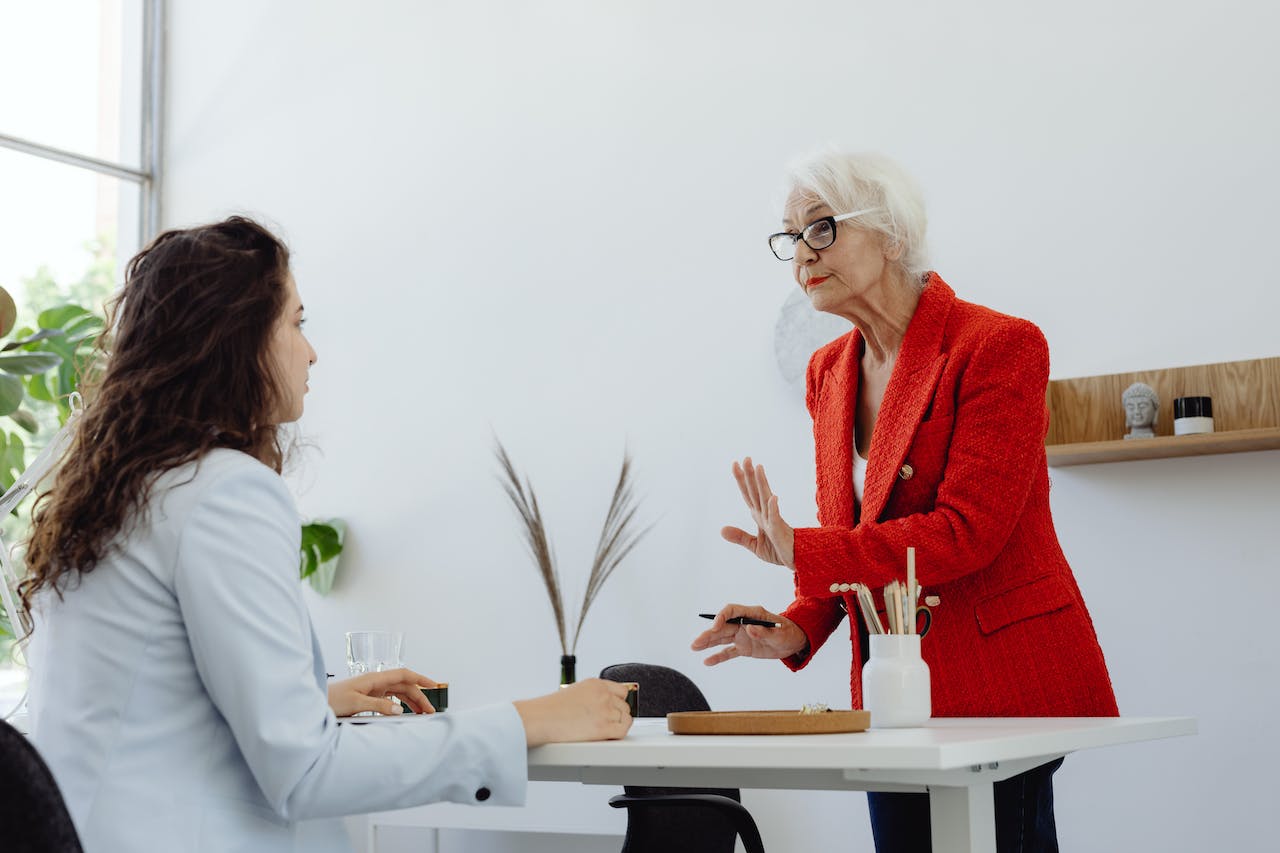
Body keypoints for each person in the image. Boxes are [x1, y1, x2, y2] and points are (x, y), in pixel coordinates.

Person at [18, 216, 633, 853]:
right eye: (296, 322)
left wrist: (318, 699)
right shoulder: (226, 490)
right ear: (238, 338)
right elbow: (307, 773)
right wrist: (533, 718)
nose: (310, 351)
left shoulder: (126, 489)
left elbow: (146, 707)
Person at [691, 152, 1117, 852]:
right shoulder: (828, 371)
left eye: (822, 228)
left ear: (891, 234)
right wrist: (795, 627)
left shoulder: (999, 345)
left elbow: (964, 532)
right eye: (791, 235)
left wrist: (801, 550)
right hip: (893, 698)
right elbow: (852, 536)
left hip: (1001, 685)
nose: (801, 252)